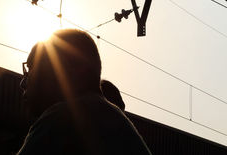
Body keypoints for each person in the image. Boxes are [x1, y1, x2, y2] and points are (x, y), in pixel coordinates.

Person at [17, 29, 151, 154]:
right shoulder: (116, 123)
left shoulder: (63, 117)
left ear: (75, 66)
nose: (23, 83)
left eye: (31, 66)